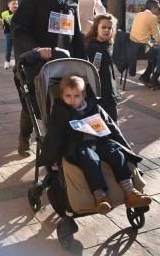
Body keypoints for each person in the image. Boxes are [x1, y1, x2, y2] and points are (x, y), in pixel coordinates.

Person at [11, 0, 86, 156]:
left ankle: (58, 143)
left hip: (65, 59)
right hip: (39, 61)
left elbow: (76, 31)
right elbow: (19, 27)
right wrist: (35, 49)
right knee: (33, 103)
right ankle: (24, 137)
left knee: (63, 101)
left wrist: (83, 61)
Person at [40, 75, 151, 214]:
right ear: (62, 96)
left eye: (77, 95)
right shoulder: (60, 111)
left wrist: (124, 146)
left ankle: (131, 192)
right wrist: (51, 158)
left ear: (84, 95)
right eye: (68, 96)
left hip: (100, 141)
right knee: (90, 159)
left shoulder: (94, 106)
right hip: (78, 145)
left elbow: (111, 127)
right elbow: (55, 134)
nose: (72, 100)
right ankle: (100, 197)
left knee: (116, 152)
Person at [85, 14, 120, 122]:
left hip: (108, 88)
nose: (107, 30)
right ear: (96, 28)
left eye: (110, 28)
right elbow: (94, 71)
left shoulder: (107, 44)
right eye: (103, 27)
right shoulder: (92, 47)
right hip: (100, 92)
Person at [129, 0, 160, 89]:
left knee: (154, 52)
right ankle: (154, 79)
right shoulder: (152, 17)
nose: (159, 11)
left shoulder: (139, 14)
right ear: (153, 8)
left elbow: (152, 31)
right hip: (141, 49)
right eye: (158, 8)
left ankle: (146, 76)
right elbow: (157, 37)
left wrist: (158, 22)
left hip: (132, 48)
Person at [1, 0, 18, 69]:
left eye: (16, 4)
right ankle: (7, 62)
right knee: (8, 48)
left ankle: (17, 62)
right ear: (8, 5)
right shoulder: (4, 14)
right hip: (8, 33)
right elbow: (2, 23)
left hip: (17, 34)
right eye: (13, 3)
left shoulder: (19, 13)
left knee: (17, 48)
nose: (15, 5)